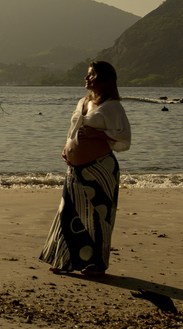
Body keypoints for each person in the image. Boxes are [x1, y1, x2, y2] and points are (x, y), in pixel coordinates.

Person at [39, 60, 131, 277]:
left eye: (91, 74)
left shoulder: (113, 106)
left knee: (98, 218)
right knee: (67, 213)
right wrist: (66, 148)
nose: (86, 78)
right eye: (87, 74)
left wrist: (100, 134)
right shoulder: (83, 102)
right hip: (75, 170)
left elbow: (124, 137)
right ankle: (63, 259)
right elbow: (73, 130)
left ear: (104, 79)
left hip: (100, 170)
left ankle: (95, 264)